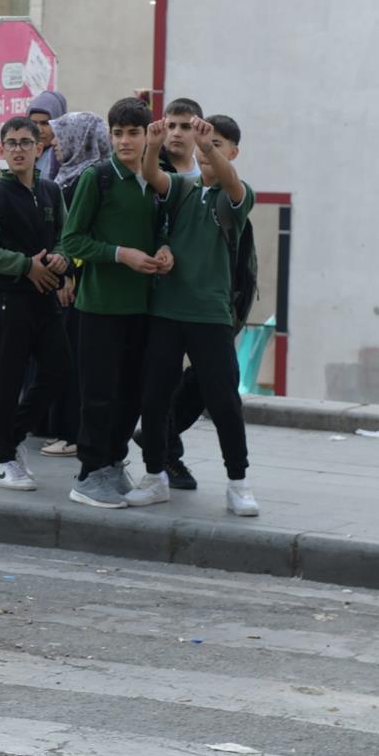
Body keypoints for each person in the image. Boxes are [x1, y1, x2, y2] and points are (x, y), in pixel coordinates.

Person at [127, 115, 259, 516]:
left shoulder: (237, 194)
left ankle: (238, 483)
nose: (207, 150)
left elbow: (230, 182)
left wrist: (207, 150)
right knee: (154, 396)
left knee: (222, 402)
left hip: (210, 315)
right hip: (167, 311)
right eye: (206, 143)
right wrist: (152, 143)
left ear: (232, 153)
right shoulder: (182, 187)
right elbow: (153, 175)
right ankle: (154, 477)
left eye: (218, 145)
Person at [59, 97, 173, 508]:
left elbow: (164, 227)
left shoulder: (157, 180)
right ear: (109, 136)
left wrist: (163, 249)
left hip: (143, 308)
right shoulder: (98, 178)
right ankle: (89, 474)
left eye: (133, 133)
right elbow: (71, 240)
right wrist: (120, 254)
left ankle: (112, 463)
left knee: (130, 394)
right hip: (100, 307)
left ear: (147, 137)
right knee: (99, 394)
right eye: (118, 133)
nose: (125, 141)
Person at [0, 116, 70, 490]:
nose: (19, 149)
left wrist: (60, 259)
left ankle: (9, 435)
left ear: (39, 148)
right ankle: (1, 462)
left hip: (43, 297)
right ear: (1, 149)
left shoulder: (51, 192)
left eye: (27, 142)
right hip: (4, 298)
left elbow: (64, 237)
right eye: (11, 143)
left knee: (59, 367)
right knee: (7, 380)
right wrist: (25, 266)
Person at [37, 111, 112, 459]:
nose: (54, 143)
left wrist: (71, 275)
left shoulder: (89, 177)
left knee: (75, 359)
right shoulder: (71, 172)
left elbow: (84, 234)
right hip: (66, 281)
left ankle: (73, 433)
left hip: (77, 285)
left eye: (60, 135)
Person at [158, 97, 203, 179]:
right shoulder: (150, 166)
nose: (176, 133)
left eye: (185, 127)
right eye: (171, 126)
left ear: (199, 129)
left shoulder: (204, 170)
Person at [28, 90, 68, 181]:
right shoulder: (25, 152)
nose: (38, 130)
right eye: (33, 123)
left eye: (45, 123)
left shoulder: (63, 157)